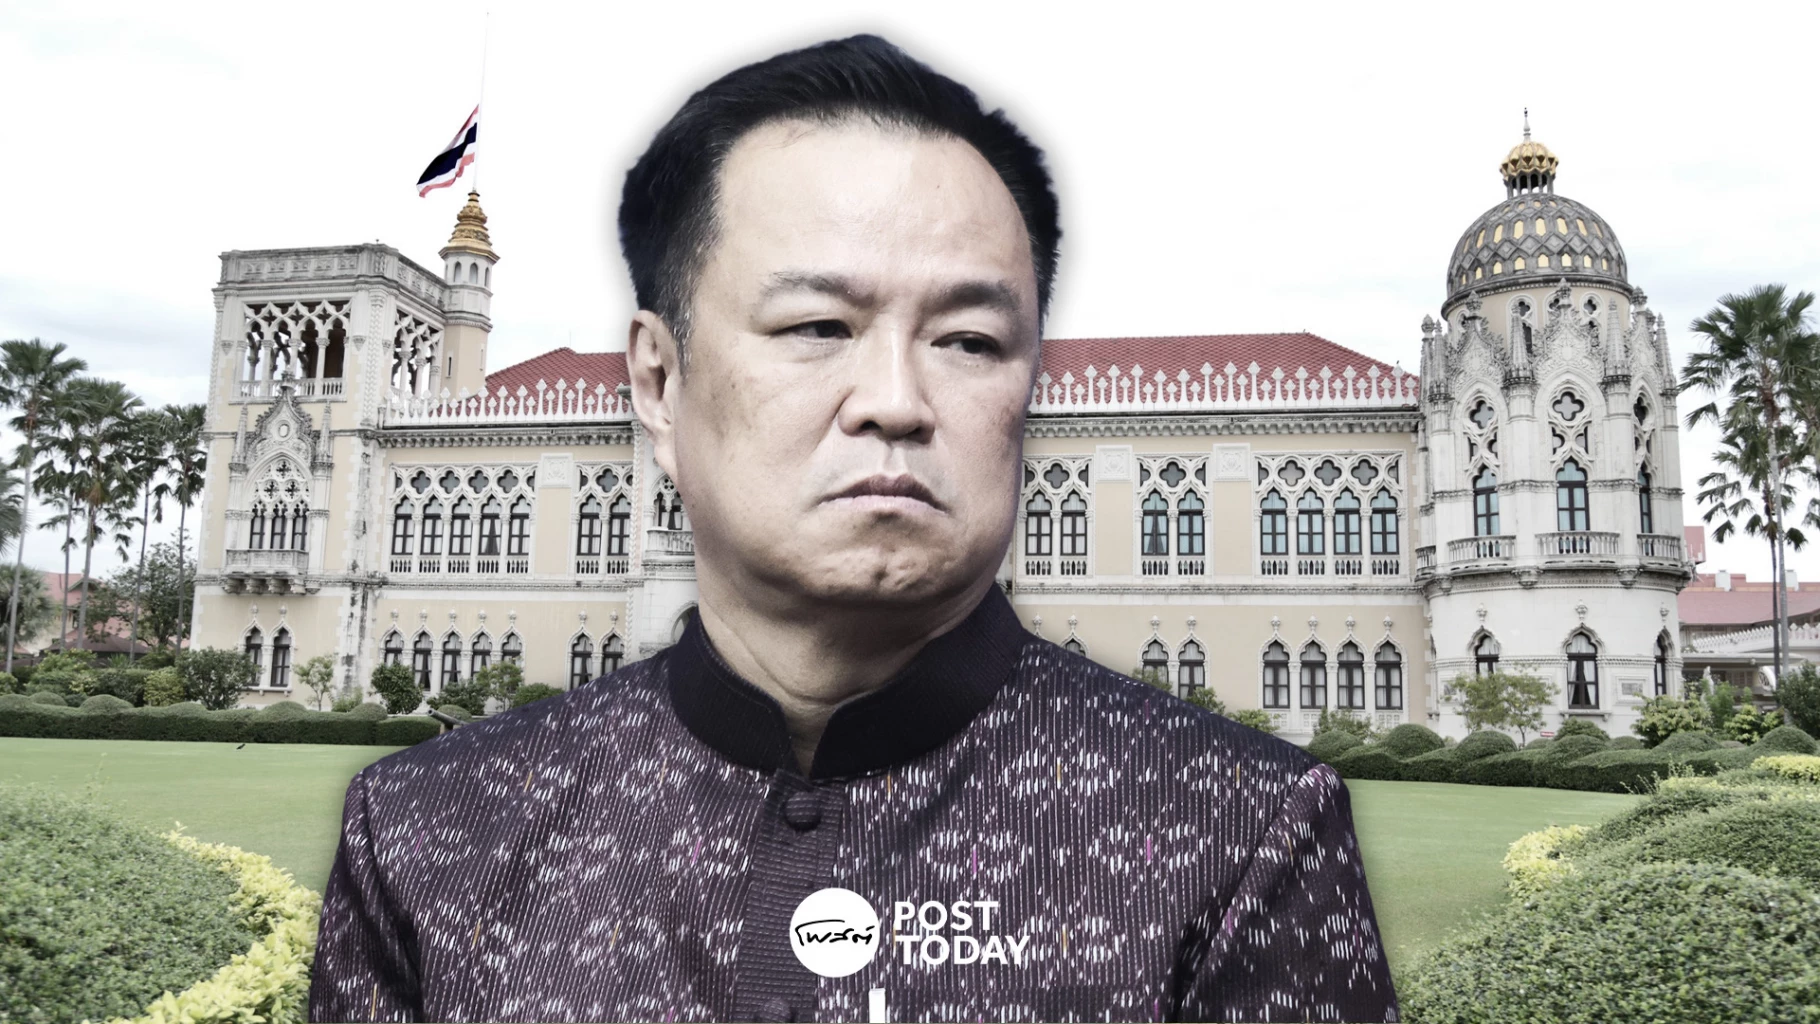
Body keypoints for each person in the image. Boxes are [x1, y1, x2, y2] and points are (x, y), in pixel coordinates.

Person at [309, 33, 1398, 1023]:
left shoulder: (1245, 831)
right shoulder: (425, 831)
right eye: (818, 324)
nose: (895, 401)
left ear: (1030, 387)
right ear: (657, 381)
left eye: (968, 341)